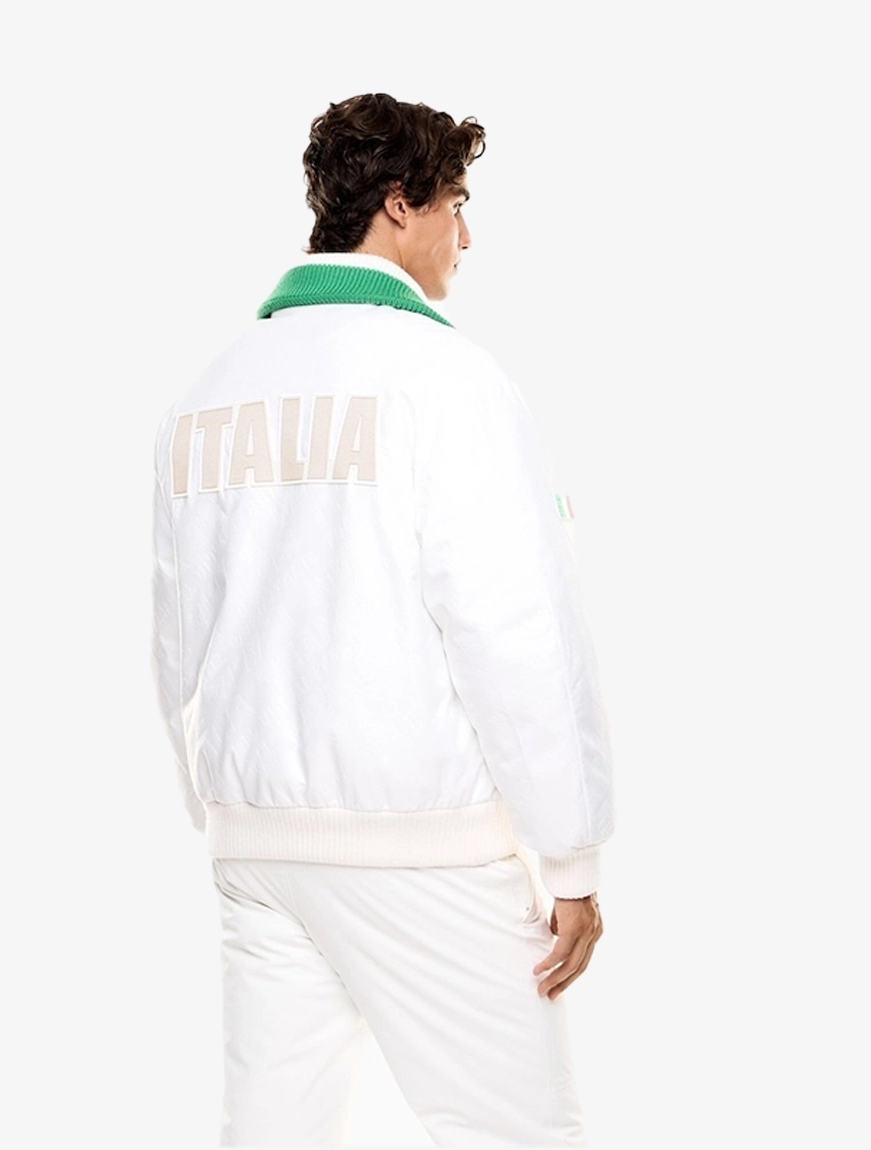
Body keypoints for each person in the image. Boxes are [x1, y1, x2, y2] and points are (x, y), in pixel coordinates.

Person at [150, 92, 616, 1148]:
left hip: (257, 849)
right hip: (420, 842)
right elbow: (515, 632)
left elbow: (175, 638)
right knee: (517, 1132)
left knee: (275, 1133)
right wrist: (571, 856)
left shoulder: (205, 396)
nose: (466, 236)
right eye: (457, 204)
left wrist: (216, 807)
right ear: (400, 205)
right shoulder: (447, 382)